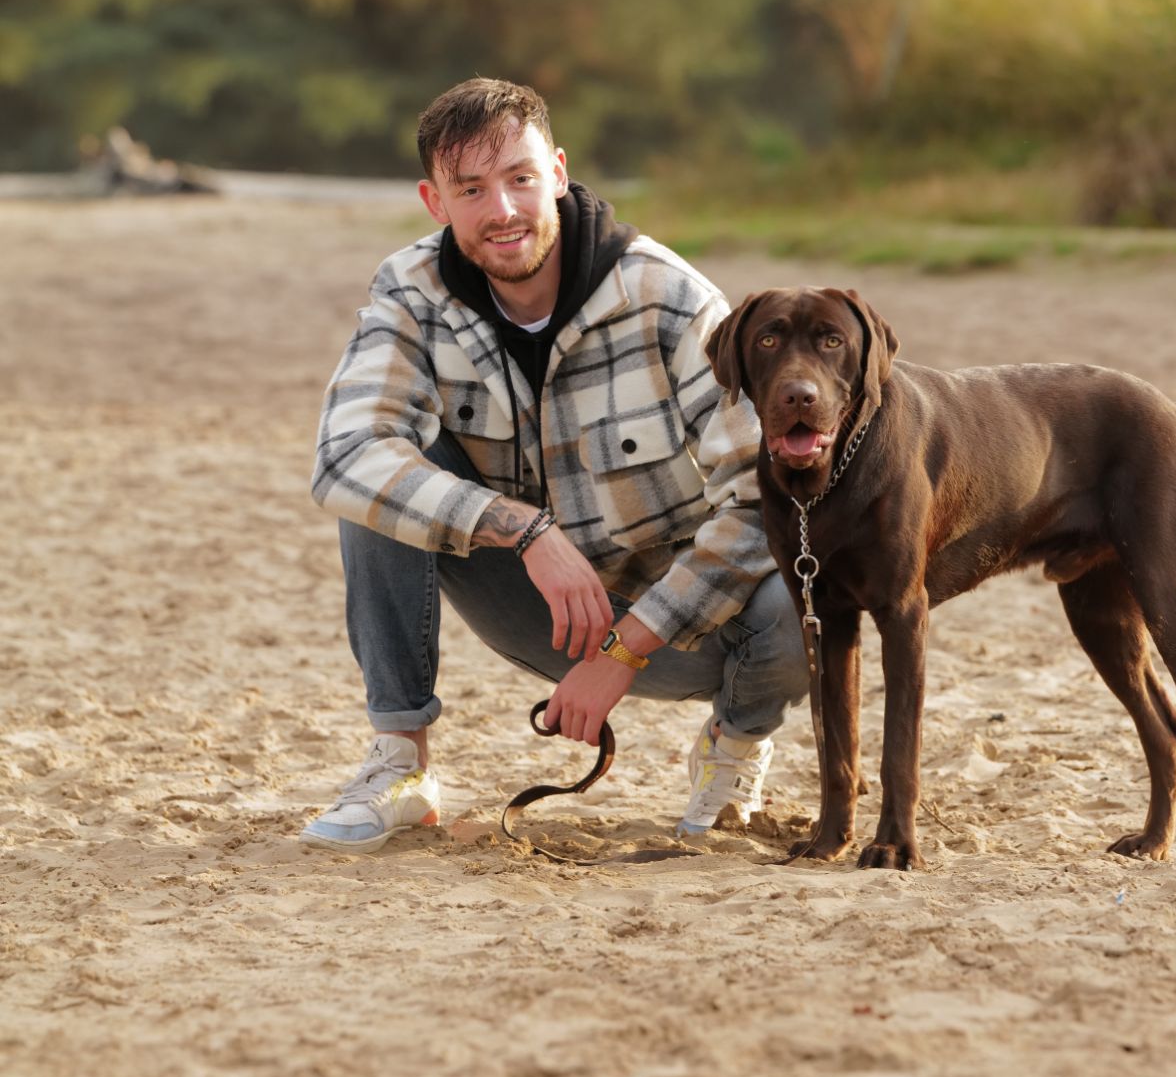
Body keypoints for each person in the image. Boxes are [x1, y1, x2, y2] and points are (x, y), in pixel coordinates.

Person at [302, 76, 808, 853]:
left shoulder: (669, 298)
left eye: (520, 178)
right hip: (531, 595)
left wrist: (626, 645)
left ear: (559, 174)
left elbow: (763, 496)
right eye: (471, 188)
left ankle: (734, 746)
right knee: (384, 473)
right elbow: (344, 455)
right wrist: (525, 530)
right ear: (435, 201)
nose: (502, 209)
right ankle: (401, 765)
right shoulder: (411, 290)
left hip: (680, 620)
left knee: (805, 582)